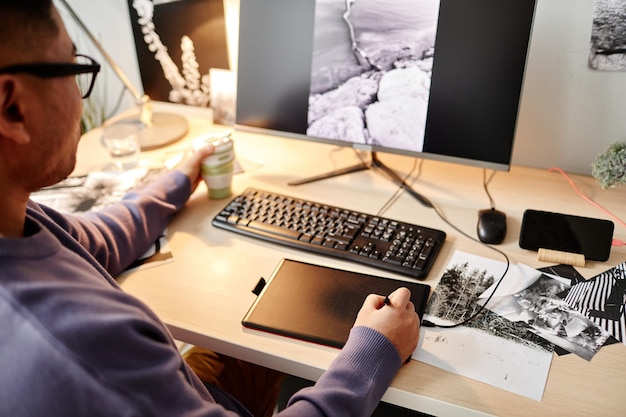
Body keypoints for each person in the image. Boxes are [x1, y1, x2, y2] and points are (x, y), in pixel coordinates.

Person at [0, 1, 421, 416]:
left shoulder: (19, 221)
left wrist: (181, 176)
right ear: (13, 107)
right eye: (76, 69)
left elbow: (93, 241)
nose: (79, 93)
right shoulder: (83, 347)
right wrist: (373, 351)